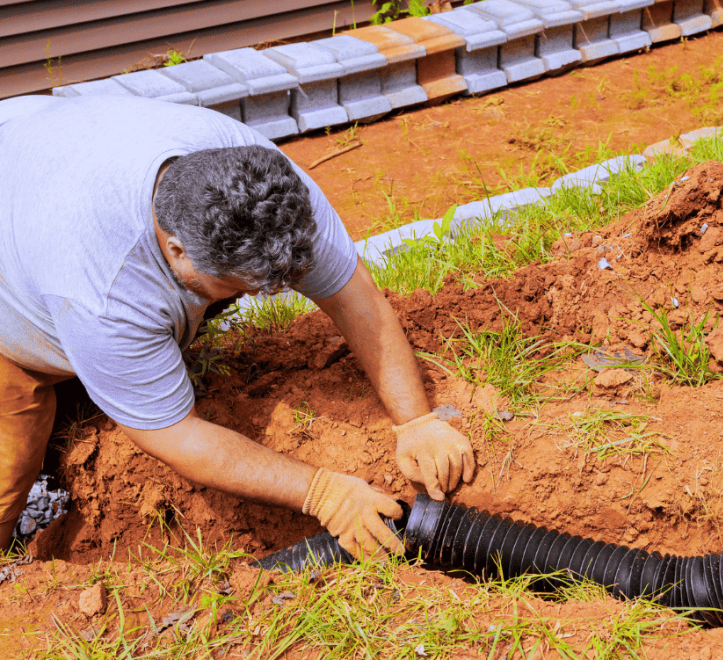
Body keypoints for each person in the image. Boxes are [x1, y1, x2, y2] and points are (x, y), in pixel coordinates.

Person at [0, 94, 475, 558]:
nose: (253, 297)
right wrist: (323, 493)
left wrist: (416, 421)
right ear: (176, 250)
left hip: (40, 139)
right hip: (22, 234)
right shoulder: (102, 290)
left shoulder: (266, 187)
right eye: (237, 285)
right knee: (12, 450)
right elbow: (176, 436)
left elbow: (356, 299)